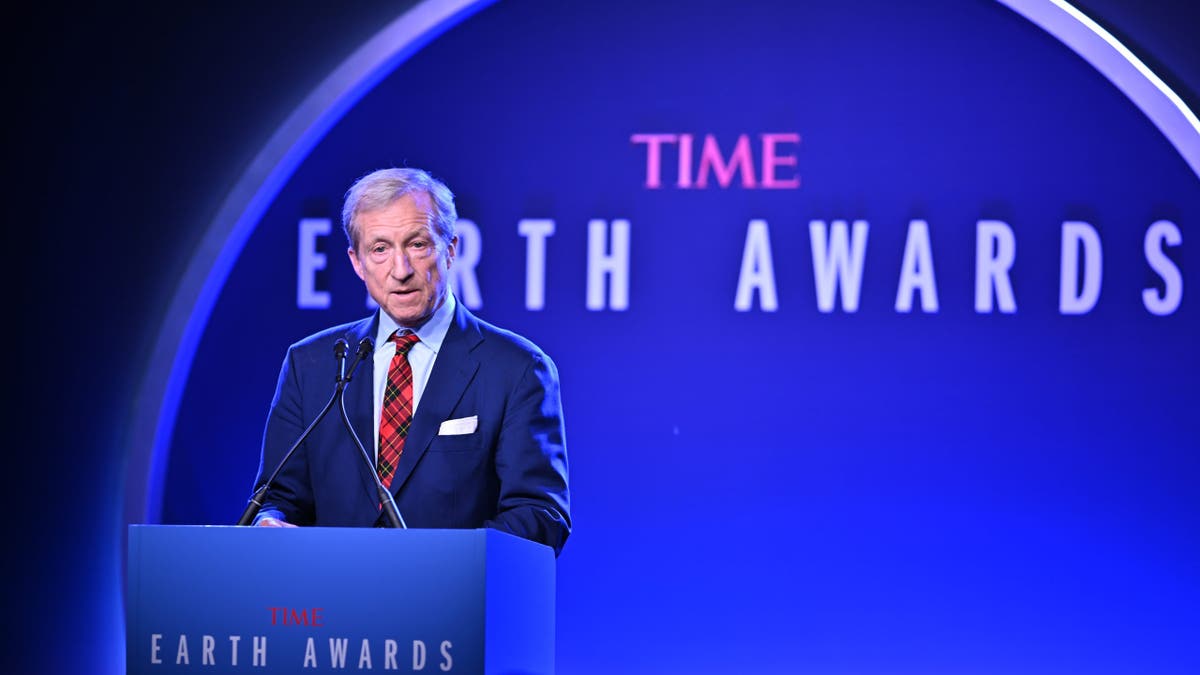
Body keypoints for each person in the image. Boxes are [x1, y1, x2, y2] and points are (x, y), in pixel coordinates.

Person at [251, 167, 571, 555]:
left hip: (453, 606)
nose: (400, 271)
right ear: (356, 261)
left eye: (417, 244)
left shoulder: (517, 369)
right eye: (380, 249)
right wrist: (268, 522)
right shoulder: (312, 364)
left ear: (450, 247)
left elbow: (539, 517)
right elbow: (279, 497)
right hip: (333, 605)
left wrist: (431, 568)